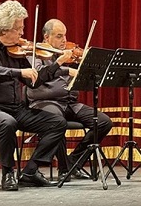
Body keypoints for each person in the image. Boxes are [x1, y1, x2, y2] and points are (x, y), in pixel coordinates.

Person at [0, 0, 71, 191]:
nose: (23, 34)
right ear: (4, 29)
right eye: (19, 29)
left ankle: (30, 171)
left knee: (57, 123)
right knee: (7, 123)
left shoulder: (17, 51)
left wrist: (57, 65)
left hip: (14, 109)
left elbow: (34, 81)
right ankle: (8, 173)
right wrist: (18, 73)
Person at [26, 19, 113, 182]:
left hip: (69, 103)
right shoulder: (34, 53)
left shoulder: (68, 52)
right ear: (46, 37)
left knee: (103, 122)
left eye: (64, 35)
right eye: (59, 36)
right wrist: (64, 66)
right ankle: (64, 169)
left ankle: (74, 162)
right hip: (46, 102)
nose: (64, 40)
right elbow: (37, 75)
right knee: (57, 121)